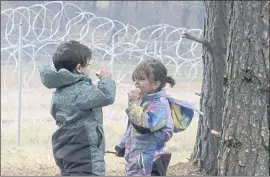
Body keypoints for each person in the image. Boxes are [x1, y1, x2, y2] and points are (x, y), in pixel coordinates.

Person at [38, 40, 116, 176]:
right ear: (79, 68)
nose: (90, 68)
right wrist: (106, 79)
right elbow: (107, 95)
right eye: (88, 64)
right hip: (84, 154)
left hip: (65, 151)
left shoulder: (60, 91)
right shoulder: (80, 90)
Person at [115, 59, 175, 176]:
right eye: (135, 79)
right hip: (136, 157)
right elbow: (132, 128)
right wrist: (122, 145)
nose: (137, 83)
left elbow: (145, 125)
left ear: (155, 84)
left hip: (151, 160)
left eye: (141, 79)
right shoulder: (143, 101)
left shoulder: (160, 104)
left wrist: (132, 104)